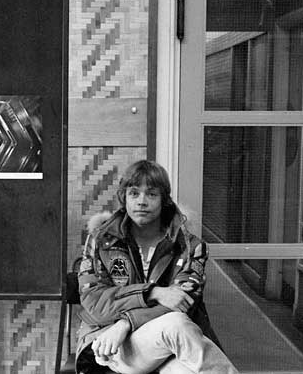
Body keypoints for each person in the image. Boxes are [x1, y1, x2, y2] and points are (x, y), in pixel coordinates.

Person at [77, 160, 238, 374]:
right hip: (110, 343)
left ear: (164, 200)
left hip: (166, 347)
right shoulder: (100, 241)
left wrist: (126, 323)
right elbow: (94, 302)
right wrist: (154, 293)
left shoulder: (190, 247)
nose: (142, 202)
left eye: (151, 194)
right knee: (175, 323)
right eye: (134, 193)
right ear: (124, 198)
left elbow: (182, 303)